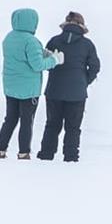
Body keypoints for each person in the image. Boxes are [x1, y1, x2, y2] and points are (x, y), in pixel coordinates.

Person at [39, 12, 101, 163]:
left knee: (52, 125)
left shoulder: (54, 41)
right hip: (77, 93)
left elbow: (46, 61)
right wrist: (84, 81)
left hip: (54, 90)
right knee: (73, 127)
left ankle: (46, 155)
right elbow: (95, 67)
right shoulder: (88, 45)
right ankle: (71, 157)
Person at [0, 8, 54, 159]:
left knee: (10, 118)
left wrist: (42, 52)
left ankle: (0, 149)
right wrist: (54, 60)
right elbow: (38, 65)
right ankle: (24, 152)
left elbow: (22, 55)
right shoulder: (31, 41)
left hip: (10, 87)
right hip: (28, 90)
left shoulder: (8, 38)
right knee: (26, 121)